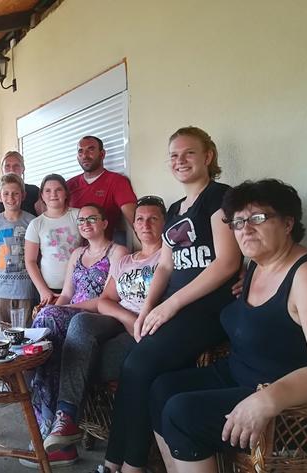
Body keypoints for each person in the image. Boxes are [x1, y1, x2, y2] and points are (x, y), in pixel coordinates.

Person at [148, 179, 307, 473]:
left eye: (258, 218)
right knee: (162, 387)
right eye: (237, 222)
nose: (245, 229)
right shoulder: (256, 266)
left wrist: (268, 398)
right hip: (240, 374)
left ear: (288, 224)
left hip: (290, 407)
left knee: (182, 413)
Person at [95, 127, 242, 473]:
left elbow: (227, 262)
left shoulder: (221, 197)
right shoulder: (176, 208)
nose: (180, 161)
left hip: (209, 307)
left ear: (208, 156)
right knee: (134, 365)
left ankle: (128, 465)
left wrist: (171, 305)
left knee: (139, 365)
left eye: (189, 153)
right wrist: (147, 309)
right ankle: (115, 461)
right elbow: (165, 265)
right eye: (174, 155)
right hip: (176, 308)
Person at [23, 203, 127, 468]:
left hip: (101, 316)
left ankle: (47, 424)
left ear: (104, 223)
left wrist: (65, 310)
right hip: (71, 312)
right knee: (46, 328)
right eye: (81, 220)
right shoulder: (77, 254)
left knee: (49, 320)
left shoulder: (118, 252)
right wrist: (55, 311)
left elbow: (109, 298)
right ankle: (55, 436)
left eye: (92, 219)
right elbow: (67, 294)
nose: (85, 224)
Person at [67, 136, 138, 244]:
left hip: (103, 250)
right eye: (80, 151)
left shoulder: (117, 181)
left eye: (90, 149)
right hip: (71, 249)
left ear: (102, 154)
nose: (85, 155)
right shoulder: (69, 185)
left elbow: (135, 222)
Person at [0, 174, 36, 323]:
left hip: (25, 289)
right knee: (2, 330)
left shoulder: (32, 222)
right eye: (6, 193)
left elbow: (36, 255)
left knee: (25, 330)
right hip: (2, 291)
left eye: (15, 193)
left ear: (23, 195)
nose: (11, 198)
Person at [25, 174, 81, 306]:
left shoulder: (78, 215)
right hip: (50, 290)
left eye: (58, 190)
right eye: (48, 191)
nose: (53, 194)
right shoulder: (36, 224)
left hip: (78, 287)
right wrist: (43, 290)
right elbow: (30, 261)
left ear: (66, 193)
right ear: (42, 196)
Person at [0, 151, 42, 222]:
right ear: (2, 169)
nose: (11, 169)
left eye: (16, 166)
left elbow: (43, 220)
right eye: (7, 166)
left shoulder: (34, 191)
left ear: (23, 169)